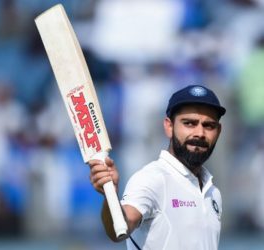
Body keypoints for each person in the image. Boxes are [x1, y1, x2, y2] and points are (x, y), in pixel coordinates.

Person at [88, 85, 226, 250]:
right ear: (169, 126)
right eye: (189, 123)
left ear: (218, 131)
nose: (200, 133)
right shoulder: (152, 179)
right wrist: (109, 196)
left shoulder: (213, 193)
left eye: (208, 126)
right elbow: (121, 227)